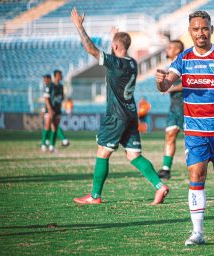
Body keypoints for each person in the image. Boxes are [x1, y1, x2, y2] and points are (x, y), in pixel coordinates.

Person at [156, 11, 214, 245]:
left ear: (211, 29)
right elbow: (166, 84)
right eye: (196, 29)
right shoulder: (184, 58)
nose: (200, 33)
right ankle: (198, 233)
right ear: (190, 32)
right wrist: (161, 82)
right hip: (195, 129)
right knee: (196, 175)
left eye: (204, 28)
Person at [70, 7, 169, 205]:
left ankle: (95, 196)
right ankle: (160, 186)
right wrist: (116, 38)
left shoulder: (115, 63)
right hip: (131, 114)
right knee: (133, 155)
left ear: (115, 46)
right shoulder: (133, 63)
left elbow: (91, 49)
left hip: (116, 115)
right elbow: (122, 50)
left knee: (103, 151)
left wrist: (80, 27)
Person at [157, 40, 185, 180]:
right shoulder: (171, 66)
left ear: (178, 50)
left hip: (187, 106)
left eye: (170, 48)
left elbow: (188, 84)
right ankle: (166, 169)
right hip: (174, 107)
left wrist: (170, 88)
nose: (167, 50)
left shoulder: (185, 63)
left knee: (194, 140)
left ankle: (199, 165)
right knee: (170, 135)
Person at [40, 71, 68, 153]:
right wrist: (50, 110)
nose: (61, 76)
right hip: (50, 110)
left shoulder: (61, 86)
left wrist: (59, 108)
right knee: (47, 126)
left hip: (57, 110)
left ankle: (52, 145)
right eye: (59, 75)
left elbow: (61, 98)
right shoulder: (50, 86)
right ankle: (43, 144)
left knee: (55, 128)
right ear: (55, 76)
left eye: (61, 75)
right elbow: (46, 99)